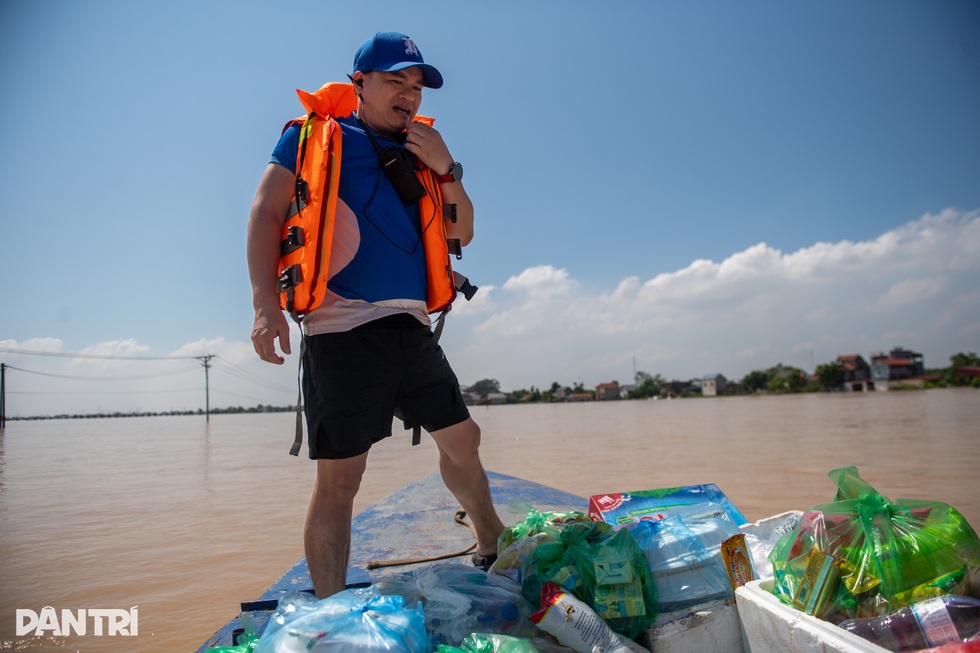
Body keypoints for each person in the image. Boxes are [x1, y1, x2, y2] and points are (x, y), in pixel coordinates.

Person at [247, 31, 504, 599]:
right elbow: (267, 214)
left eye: (416, 86)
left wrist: (448, 168)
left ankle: (490, 539)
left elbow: (461, 230)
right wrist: (265, 306)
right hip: (341, 329)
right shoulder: (314, 137)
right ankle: (330, 605)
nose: (408, 95)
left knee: (465, 438)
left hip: (410, 326)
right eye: (395, 81)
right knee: (341, 478)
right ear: (359, 83)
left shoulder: (427, 150)